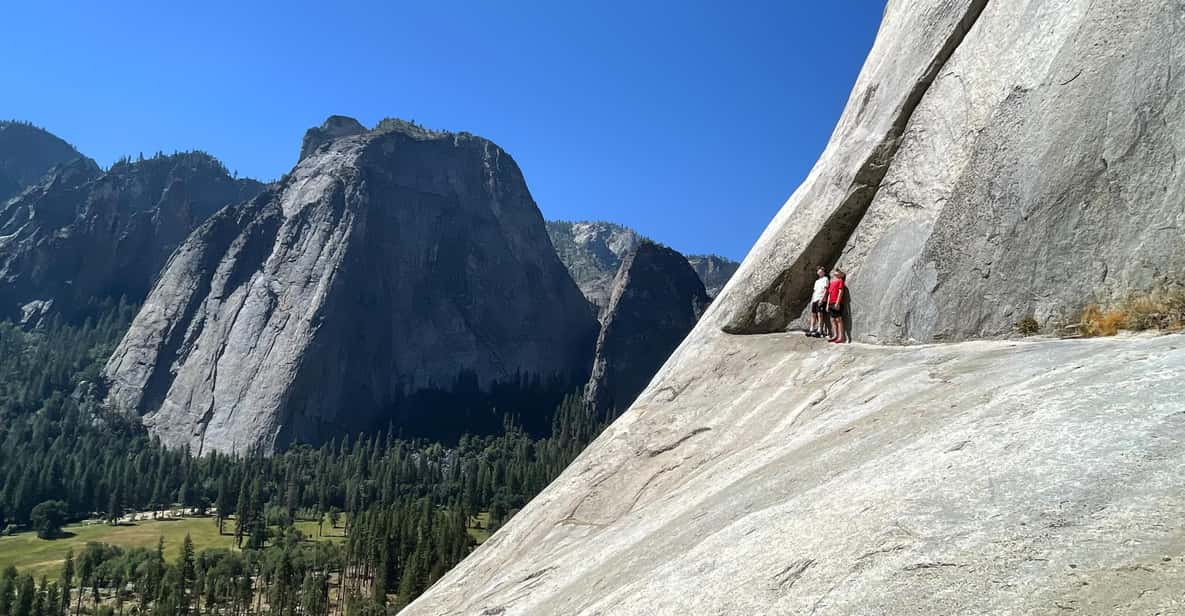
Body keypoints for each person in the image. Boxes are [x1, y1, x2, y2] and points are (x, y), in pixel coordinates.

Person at [807, 266, 830, 337]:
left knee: (820, 314)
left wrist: (822, 299)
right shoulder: (816, 281)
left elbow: (826, 289)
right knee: (813, 314)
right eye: (819, 272)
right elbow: (814, 291)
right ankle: (811, 329)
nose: (820, 273)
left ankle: (820, 330)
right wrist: (812, 300)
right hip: (815, 299)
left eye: (821, 272)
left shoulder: (825, 279)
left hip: (821, 298)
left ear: (824, 272)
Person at [827, 269, 847, 343]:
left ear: (841, 274)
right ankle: (835, 335)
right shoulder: (832, 282)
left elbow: (840, 292)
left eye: (839, 272)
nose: (836, 272)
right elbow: (829, 294)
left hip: (836, 302)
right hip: (831, 303)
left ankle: (841, 337)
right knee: (832, 320)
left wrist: (838, 303)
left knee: (838, 319)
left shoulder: (840, 281)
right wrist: (827, 304)